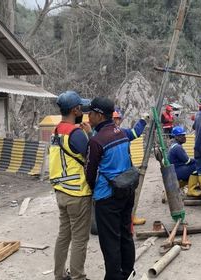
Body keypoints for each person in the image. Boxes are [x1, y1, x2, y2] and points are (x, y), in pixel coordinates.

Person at [85, 97, 135, 280]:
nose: (88, 116)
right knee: (125, 235)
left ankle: (114, 277)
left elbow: (89, 173)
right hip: (127, 190)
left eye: (90, 112)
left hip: (107, 197)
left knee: (110, 242)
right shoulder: (121, 133)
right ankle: (128, 273)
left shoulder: (97, 141)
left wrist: (94, 191)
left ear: (98, 115)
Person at [49, 90, 92, 280]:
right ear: (75, 110)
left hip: (61, 192)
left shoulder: (56, 131)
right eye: (81, 108)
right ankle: (78, 277)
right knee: (80, 239)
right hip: (77, 194)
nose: (82, 110)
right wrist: (90, 134)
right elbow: (92, 156)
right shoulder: (76, 133)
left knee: (63, 236)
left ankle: (59, 275)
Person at [168, 126, 201, 197]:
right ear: (176, 137)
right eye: (181, 135)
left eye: (184, 135)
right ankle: (191, 190)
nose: (184, 137)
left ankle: (189, 186)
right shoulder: (177, 148)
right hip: (177, 171)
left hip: (174, 170)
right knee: (198, 166)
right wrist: (197, 160)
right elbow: (188, 161)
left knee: (195, 165)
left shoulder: (174, 145)